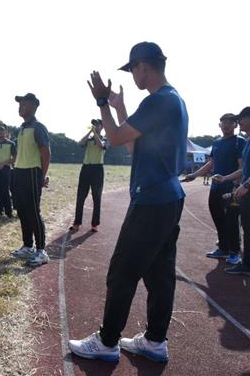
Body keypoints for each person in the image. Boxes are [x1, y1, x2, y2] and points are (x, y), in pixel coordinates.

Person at [68, 42, 188, 363]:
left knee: (122, 270)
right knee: (158, 273)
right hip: (167, 198)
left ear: (142, 66)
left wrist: (102, 102)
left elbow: (117, 138)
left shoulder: (158, 101)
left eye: (132, 68)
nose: (132, 74)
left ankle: (107, 343)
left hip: (151, 200)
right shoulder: (170, 100)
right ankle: (154, 341)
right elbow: (133, 147)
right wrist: (120, 108)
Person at [182, 113, 245, 265]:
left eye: (230, 122)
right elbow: (211, 164)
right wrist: (194, 175)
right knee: (217, 217)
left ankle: (234, 252)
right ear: (219, 125)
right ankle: (223, 248)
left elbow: (242, 166)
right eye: (223, 122)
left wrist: (236, 185)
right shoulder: (216, 143)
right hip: (216, 187)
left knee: (231, 220)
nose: (226, 125)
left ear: (235, 125)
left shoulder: (239, 141)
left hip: (231, 187)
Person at [9, 93, 51, 267]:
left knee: (33, 212)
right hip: (19, 172)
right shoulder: (21, 128)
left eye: (24, 104)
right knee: (22, 211)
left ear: (34, 106)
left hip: (32, 173)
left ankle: (41, 251)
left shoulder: (38, 127)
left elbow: (46, 152)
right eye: (20, 104)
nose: (21, 107)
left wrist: (42, 175)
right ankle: (27, 246)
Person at [220, 107, 250, 275]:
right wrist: (225, 178)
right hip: (245, 191)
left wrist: (245, 185)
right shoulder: (248, 141)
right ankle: (247, 263)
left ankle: (247, 265)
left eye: (242, 118)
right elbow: (244, 169)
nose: (239, 122)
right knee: (246, 227)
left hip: (248, 191)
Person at [70, 119, 108, 233]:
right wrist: (89, 133)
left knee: (96, 197)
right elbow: (80, 143)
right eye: (94, 124)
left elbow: (101, 146)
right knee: (80, 197)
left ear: (102, 127)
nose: (95, 126)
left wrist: (95, 133)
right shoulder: (89, 139)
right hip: (86, 168)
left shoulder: (106, 139)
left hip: (97, 169)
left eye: (97, 124)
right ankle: (77, 223)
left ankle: (95, 224)